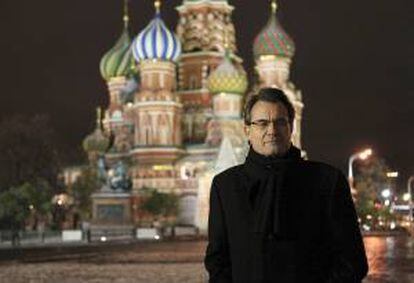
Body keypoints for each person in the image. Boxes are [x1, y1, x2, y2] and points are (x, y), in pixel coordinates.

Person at [204, 88, 368, 283]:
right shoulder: (226, 186)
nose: (272, 131)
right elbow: (218, 261)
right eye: (262, 123)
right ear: (247, 130)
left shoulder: (327, 181)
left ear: (291, 127)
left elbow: (352, 261)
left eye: (280, 122)